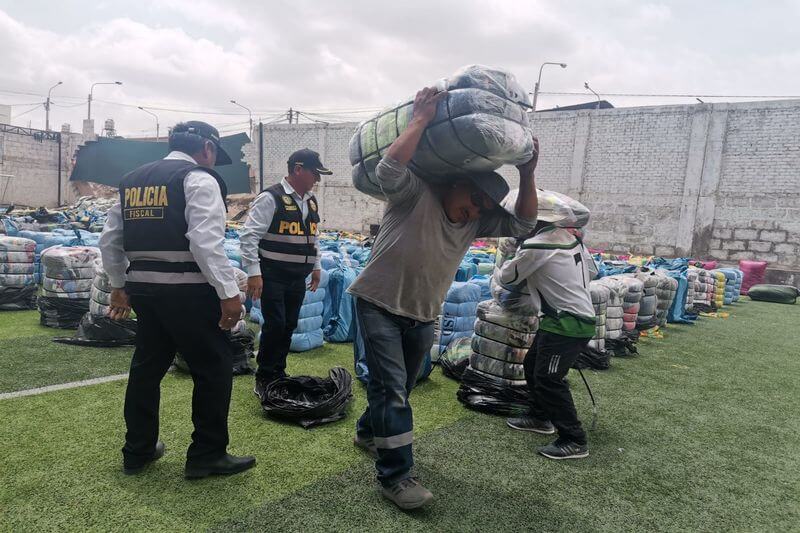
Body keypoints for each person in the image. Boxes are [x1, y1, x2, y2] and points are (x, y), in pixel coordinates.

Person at [347, 87, 539, 510]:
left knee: (402, 385)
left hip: (422, 313)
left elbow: (524, 223)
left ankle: (367, 431)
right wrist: (420, 119)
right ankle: (396, 477)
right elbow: (388, 168)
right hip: (377, 303)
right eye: (474, 200)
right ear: (456, 183)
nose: (475, 211)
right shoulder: (415, 192)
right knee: (392, 389)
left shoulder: (473, 223)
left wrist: (527, 173)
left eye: (484, 207)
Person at [99, 121, 256, 479]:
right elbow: (205, 243)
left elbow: (110, 240)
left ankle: (137, 451)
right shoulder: (198, 178)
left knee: (146, 369)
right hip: (188, 293)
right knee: (214, 368)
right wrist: (228, 293)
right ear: (208, 149)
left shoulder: (131, 181)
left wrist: (119, 284)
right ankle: (207, 454)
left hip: (146, 294)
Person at [498, 218, 596, 460]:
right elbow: (593, 271)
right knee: (531, 366)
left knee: (549, 378)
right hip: (562, 318)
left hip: (567, 322)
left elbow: (507, 279)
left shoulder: (538, 245)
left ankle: (574, 438)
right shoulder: (572, 239)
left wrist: (510, 253)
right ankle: (540, 416)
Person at [239, 149, 331, 400]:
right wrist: (254, 273)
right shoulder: (271, 197)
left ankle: (278, 372)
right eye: (315, 173)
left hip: (297, 277)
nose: (318, 180)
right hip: (272, 275)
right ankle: (265, 375)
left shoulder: (310, 200)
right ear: (298, 169)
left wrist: (315, 266)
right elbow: (249, 236)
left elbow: (313, 237)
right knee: (276, 324)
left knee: (289, 324)